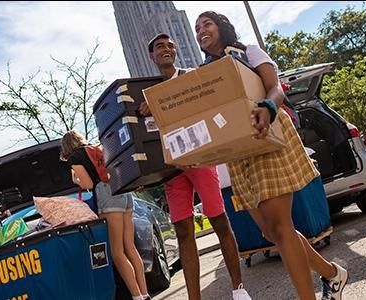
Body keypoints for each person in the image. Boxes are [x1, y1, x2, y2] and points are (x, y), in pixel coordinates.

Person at [194, 11, 348, 300]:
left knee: (281, 227)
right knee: (271, 233)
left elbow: (275, 87)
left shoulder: (248, 51)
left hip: (269, 135)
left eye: (207, 24)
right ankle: (332, 274)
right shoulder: (204, 74)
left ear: (222, 26)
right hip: (239, 153)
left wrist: (268, 107)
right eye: (197, 27)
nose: (201, 30)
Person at [138, 33, 251, 300]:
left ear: (175, 52)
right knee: (183, 232)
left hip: (200, 158)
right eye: (159, 47)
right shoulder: (146, 93)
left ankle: (239, 289)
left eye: (170, 46)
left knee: (220, 221)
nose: (166, 49)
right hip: (172, 167)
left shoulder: (191, 76)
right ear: (152, 56)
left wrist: (158, 105)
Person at [59, 131, 151, 300]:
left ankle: (137, 296)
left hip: (106, 194)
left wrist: (75, 180)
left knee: (117, 252)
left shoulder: (75, 158)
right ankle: (145, 293)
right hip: (123, 189)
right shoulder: (97, 148)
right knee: (130, 247)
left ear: (66, 147)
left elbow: (88, 184)